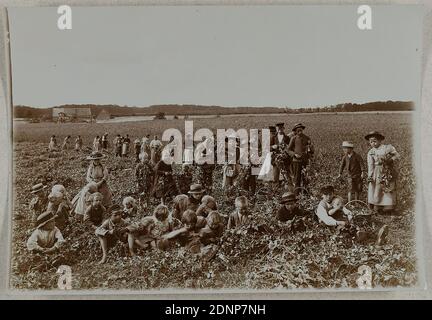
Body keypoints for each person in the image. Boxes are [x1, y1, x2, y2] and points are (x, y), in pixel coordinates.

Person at [365, 131, 400, 214]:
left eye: (375, 141)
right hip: (377, 171)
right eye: (371, 141)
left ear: (380, 140)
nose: (373, 143)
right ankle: (377, 205)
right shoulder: (371, 152)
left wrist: (390, 160)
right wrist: (370, 175)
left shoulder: (387, 148)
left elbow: (397, 155)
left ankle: (388, 206)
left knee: (388, 186)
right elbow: (370, 165)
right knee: (377, 187)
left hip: (387, 170)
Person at [287, 123, 314, 195]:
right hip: (296, 161)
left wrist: (311, 149)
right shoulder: (293, 138)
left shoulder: (307, 138)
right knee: (297, 179)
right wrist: (294, 154)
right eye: (298, 129)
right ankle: (296, 195)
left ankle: (305, 194)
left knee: (306, 178)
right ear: (295, 130)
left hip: (305, 161)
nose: (299, 130)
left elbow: (312, 151)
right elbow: (288, 150)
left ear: (302, 129)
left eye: (301, 128)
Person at [271, 123, 293, 187]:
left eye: (281, 128)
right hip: (276, 159)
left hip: (285, 159)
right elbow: (268, 148)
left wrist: (286, 149)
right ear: (276, 129)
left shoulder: (287, 138)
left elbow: (290, 148)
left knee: (287, 175)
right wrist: (272, 147)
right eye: (278, 128)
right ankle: (275, 191)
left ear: (283, 129)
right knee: (275, 176)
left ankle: (289, 190)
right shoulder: (273, 137)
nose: (280, 130)